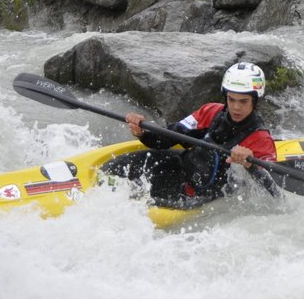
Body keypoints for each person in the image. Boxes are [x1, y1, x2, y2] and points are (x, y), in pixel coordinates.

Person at [103, 62, 278, 207]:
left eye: (243, 101)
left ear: (256, 101)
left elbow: (274, 192)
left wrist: (250, 165)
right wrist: (143, 132)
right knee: (112, 169)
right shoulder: (210, 112)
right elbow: (169, 136)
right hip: (183, 173)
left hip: (204, 198)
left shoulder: (260, 139)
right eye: (231, 99)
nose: (236, 107)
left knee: (144, 202)